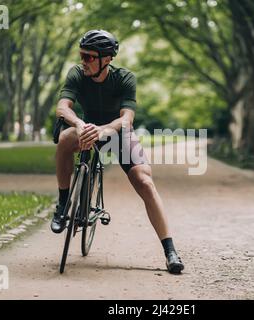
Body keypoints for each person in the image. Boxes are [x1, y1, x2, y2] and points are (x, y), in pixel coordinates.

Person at [51, 29, 184, 274]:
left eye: (89, 57)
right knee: (64, 138)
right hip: (86, 128)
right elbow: (63, 107)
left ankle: (170, 250)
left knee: (144, 181)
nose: (83, 61)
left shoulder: (125, 78)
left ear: (107, 59)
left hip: (116, 134)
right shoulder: (77, 74)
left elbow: (127, 119)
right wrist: (80, 125)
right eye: (82, 55)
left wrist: (104, 131)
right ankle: (62, 205)